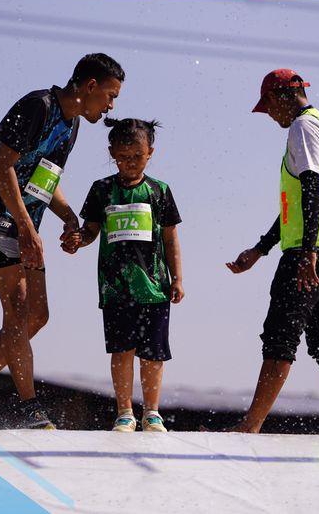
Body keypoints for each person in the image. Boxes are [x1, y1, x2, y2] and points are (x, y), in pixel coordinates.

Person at [0, 53, 125, 430]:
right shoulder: (39, 106)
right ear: (90, 86)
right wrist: (26, 228)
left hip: (22, 225)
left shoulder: (71, 125)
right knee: (19, 308)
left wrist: (68, 217)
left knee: (37, 314)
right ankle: (29, 409)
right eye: (110, 96)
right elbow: (1, 165)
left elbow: (42, 180)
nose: (111, 106)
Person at [224, 69, 319, 435]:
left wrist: (308, 252)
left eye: (268, 107)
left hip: (311, 251)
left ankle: (250, 426)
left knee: (281, 333)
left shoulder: (303, 127)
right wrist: (260, 249)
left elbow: (312, 187)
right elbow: (294, 207)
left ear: (279, 97)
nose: (269, 115)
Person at [61, 117, 184, 432]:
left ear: (150, 153)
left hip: (155, 288)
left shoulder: (160, 191)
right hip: (116, 289)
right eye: (123, 157)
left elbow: (170, 238)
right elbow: (90, 231)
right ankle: (125, 412)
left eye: (137, 156)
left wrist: (178, 278)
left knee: (153, 353)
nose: (130, 162)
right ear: (112, 153)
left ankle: (152, 412)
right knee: (121, 350)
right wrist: (78, 240)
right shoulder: (102, 190)